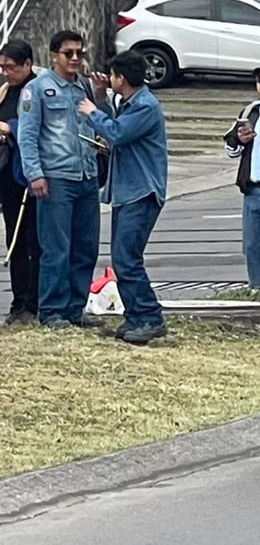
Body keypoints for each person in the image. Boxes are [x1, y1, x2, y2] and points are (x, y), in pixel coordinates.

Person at [78, 50, 168, 344]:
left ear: (123, 77)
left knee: (127, 259)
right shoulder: (131, 103)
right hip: (127, 191)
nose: (111, 79)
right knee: (122, 258)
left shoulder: (144, 106)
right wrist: (103, 98)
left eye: (114, 75)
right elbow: (117, 125)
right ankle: (136, 317)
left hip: (141, 191)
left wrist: (91, 110)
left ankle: (149, 316)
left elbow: (117, 132)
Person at [17, 30, 104, 329]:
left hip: (86, 174)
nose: (76, 59)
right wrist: (35, 174)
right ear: (54, 55)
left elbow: (99, 123)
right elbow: (27, 135)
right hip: (55, 177)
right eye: (69, 53)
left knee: (85, 247)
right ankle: (52, 310)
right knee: (56, 248)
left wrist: (102, 96)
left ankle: (74, 308)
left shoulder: (84, 88)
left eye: (80, 52)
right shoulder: (37, 89)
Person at [224, 60, 260, 288]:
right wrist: (239, 140)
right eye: (259, 80)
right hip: (253, 190)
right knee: (253, 246)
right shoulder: (250, 111)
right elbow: (230, 150)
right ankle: (259, 287)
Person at [0, 40, 40, 326]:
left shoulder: (35, 91)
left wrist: (9, 128)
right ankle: (18, 301)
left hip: (29, 177)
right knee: (13, 241)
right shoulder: (5, 91)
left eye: (11, 67)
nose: (6, 73)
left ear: (27, 65)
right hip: (8, 179)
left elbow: (36, 127)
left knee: (32, 242)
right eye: (2, 67)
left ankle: (32, 302)